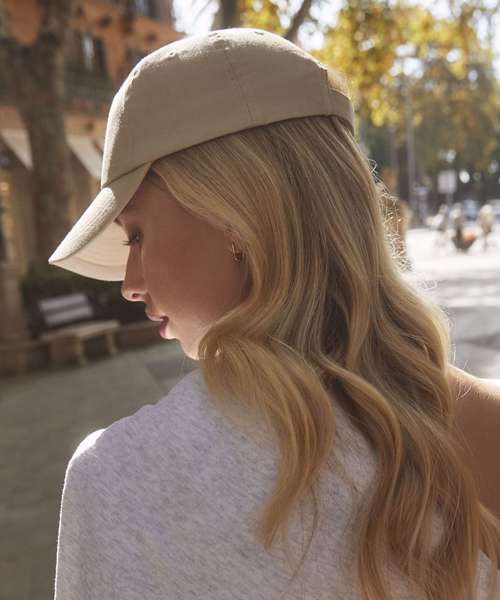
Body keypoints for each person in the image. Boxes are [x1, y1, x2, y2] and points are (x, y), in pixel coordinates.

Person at [48, 29, 500, 600]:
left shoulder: (116, 478)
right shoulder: (486, 426)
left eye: (135, 235)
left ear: (235, 218)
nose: (129, 285)